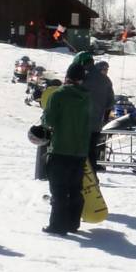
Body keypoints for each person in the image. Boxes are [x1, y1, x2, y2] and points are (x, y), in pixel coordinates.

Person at [41, 62, 91, 235]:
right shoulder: (87, 98)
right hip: (80, 151)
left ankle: (57, 225)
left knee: (59, 189)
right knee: (75, 189)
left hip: (61, 148)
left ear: (67, 77)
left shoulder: (58, 95)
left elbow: (48, 121)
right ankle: (72, 223)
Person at [82, 59, 115, 173]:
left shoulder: (85, 77)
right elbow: (110, 102)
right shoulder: (106, 81)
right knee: (92, 146)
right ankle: (91, 168)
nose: (105, 71)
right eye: (104, 69)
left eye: (106, 69)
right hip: (96, 122)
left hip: (82, 121)